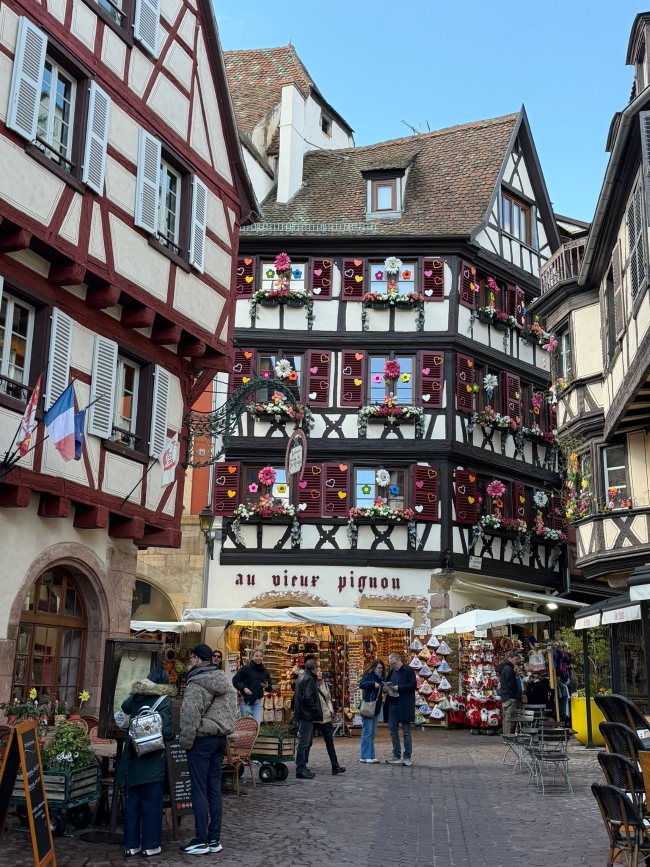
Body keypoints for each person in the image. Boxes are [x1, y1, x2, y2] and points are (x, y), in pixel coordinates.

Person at [179, 644, 237, 856]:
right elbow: (233, 711)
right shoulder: (224, 681)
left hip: (202, 741)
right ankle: (214, 839)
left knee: (198, 789)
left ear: (195, 659)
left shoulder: (196, 682)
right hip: (220, 740)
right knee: (214, 789)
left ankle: (200, 840)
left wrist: (185, 742)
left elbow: (190, 716)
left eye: (191, 658)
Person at [120, 667, 175, 858]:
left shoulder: (137, 697)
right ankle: (150, 845)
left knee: (132, 803)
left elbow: (125, 708)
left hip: (134, 756)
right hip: (153, 760)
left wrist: (137, 690)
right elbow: (166, 733)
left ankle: (131, 845)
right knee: (152, 804)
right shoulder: (165, 700)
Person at [383, 652, 416, 766]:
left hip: (405, 704)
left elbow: (413, 685)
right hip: (392, 704)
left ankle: (407, 757)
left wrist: (399, 688)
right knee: (393, 731)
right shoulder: (391, 672)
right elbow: (386, 685)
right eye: (391, 664)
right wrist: (386, 689)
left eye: (394, 663)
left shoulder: (408, 670)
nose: (392, 666)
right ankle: (396, 755)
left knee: (406, 731)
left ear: (399, 660)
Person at [293, 658, 322, 779]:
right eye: (317, 668)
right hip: (306, 714)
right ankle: (300, 767)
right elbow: (308, 697)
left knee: (306, 741)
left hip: (303, 713)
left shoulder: (302, 677)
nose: (318, 670)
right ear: (314, 669)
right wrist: (314, 709)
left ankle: (303, 766)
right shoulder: (308, 679)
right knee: (304, 742)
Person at [315, 665, 345, 775]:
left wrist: (331, 711)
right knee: (307, 742)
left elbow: (328, 700)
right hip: (314, 717)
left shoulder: (325, 684)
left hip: (325, 716)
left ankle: (335, 765)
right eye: (317, 671)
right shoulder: (310, 683)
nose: (319, 673)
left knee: (329, 741)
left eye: (320, 671)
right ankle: (302, 764)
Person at [232, 648, 272, 725]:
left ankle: (255, 737)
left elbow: (270, 688)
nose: (258, 658)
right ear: (252, 657)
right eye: (256, 656)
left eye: (260, 656)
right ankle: (245, 737)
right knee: (247, 724)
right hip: (246, 700)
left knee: (257, 724)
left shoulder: (265, 671)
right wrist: (244, 688)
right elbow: (235, 680)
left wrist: (267, 686)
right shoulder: (245, 669)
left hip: (257, 701)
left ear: (262, 658)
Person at [359, 659, 385, 763]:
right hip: (368, 706)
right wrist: (373, 684)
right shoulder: (369, 675)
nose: (381, 670)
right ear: (374, 667)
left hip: (375, 707)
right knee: (367, 732)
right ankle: (365, 756)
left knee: (372, 733)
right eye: (379, 668)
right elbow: (362, 684)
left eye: (382, 668)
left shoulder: (380, 678)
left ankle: (371, 755)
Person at [498, 650, 524, 737]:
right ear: (510, 658)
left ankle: (506, 735)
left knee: (506, 717)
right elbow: (511, 684)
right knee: (508, 718)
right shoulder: (508, 669)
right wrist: (515, 696)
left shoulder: (504, 668)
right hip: (509, 696)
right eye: (514, 659)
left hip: (505, 695)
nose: (515, 661)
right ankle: (508, 736)